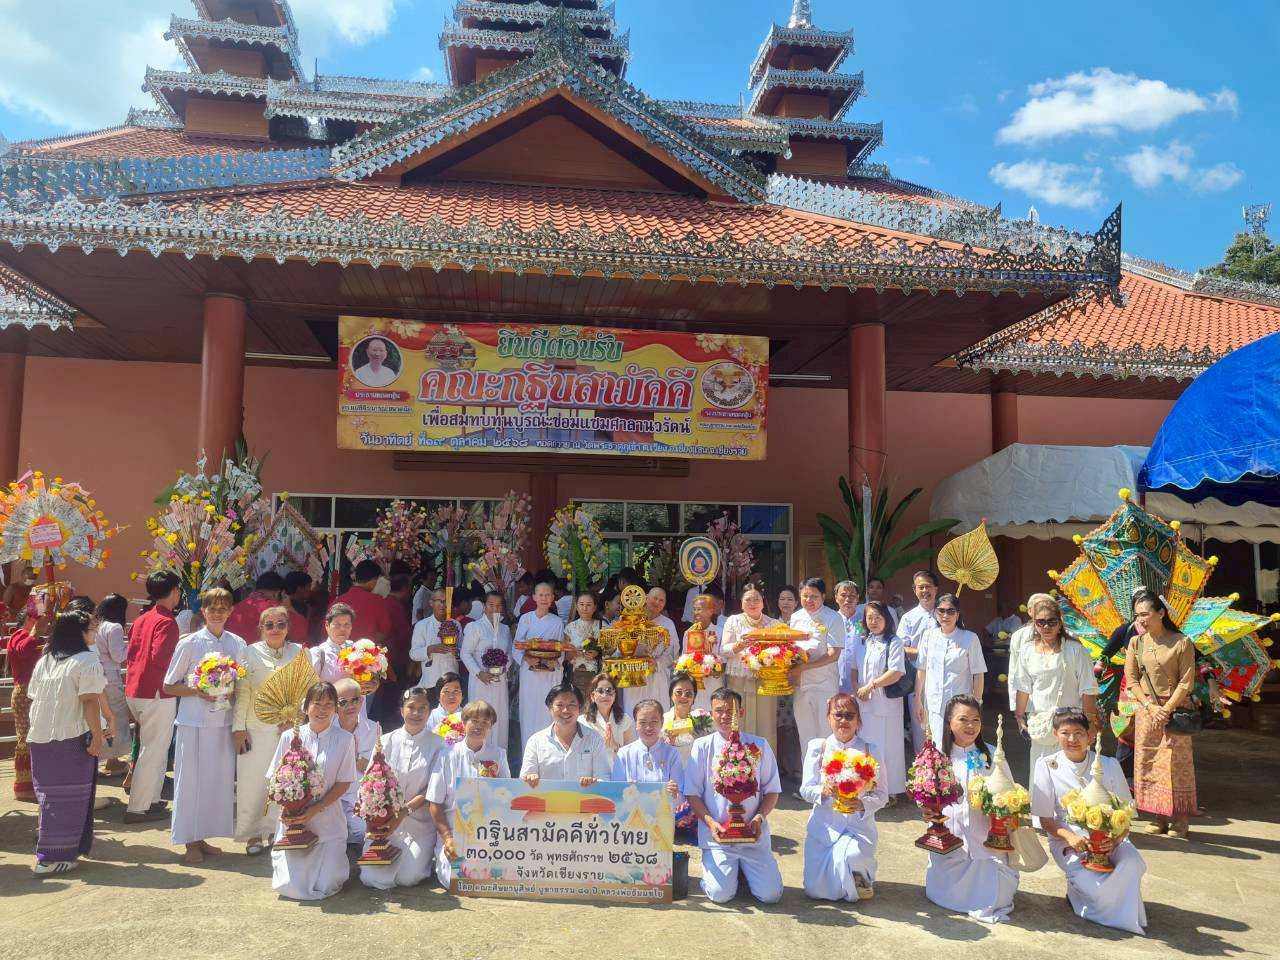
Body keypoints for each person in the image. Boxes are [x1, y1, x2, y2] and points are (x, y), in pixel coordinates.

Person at [1032, 707, 1147, 934]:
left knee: (1132, 863)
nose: (1072, 739)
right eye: (1065, 733)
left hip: (1111, 837)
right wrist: (1070, 837)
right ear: (1055, 734)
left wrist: (1115, 840)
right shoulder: (1046, 765)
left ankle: (1118, 907)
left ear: (1090, 735)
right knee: (1094, 888)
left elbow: (1126, 814)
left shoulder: (1110, 764)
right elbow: (1045, 819)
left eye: (1078, 733)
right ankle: (1082, 896)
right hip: (1068, 838)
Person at [161, 587, 246, 864]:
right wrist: (197, 690)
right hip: (194, 722)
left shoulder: (237, 643)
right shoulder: (190, 643)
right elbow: (168, 685)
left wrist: (232, 691)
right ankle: (189, 841)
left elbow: (243, 683)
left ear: (231, 611)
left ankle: (204, 834)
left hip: (222, 722)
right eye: (213, 608)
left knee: (215, 783)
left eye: (223, 608)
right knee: (190, 782)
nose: (218, 613)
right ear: (204, 611)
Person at [924, 695, 1019, 923]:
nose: (970, 726)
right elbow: (924, 796)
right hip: (950, 845)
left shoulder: (993, 755)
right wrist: (927, 811)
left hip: (987, 845)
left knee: (999, 894)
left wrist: (1006, 820)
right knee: (943, 892)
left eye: (975, 720)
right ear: (948, 722)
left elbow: (1012, 799)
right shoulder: (936, 756)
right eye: (963, 719)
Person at [26, 610, 107, 875]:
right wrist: (97, 735)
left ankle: (52, 853)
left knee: (50, 797)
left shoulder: (45, 660)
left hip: (41, 737)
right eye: (92, 628)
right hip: (71, 737)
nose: (95, 632)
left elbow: (34, 696)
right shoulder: (87, 660)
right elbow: (89, 701)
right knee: (71, 797)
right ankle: (52, 856)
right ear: (80, 632)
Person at [683, 688, 783, 904]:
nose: (725, 716)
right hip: (718, 836)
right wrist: (710, 823)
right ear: (711, 714)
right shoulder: (702, 747)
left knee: (771, 896)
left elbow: (772, 789)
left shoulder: (759, 745)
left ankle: (743, 873)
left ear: (742, 712)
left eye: (731, 710)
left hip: (752, 835)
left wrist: (758, 818)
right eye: (719, 711)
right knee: (721, 895)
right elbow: (691, 792)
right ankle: (716, 871)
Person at [268, 682, 356, 900]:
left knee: (327, 883)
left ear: (336, 708)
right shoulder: (289, 737)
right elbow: (275, 776)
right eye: (317, 703)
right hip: (293, 821)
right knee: (289, 885)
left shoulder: (345, 739)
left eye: (329, 704)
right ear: (306, 707)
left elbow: (345, 781)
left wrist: (317, 808)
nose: (322, 709)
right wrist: (286, 810)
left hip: (327, 820)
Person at [800, 693, 888, 901]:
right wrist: (823, 792)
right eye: (838, 715)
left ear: (859, 720)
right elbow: (806, 788)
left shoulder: (870, 750)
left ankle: (862, 879)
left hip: (858, 827)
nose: (843, 721)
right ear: (828, 718)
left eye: (850, 716)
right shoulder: (818, 747)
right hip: (824, 827)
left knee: (852, 856)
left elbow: (882, 794)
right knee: (815, 891)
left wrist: (861, 803)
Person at [1125, 589, 1197, 838]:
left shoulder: (1181, 642)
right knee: (1151, 763)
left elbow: (1186, 682)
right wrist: (1149, 706)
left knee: (1175, 765)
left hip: (1174, 711)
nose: (1141, 619)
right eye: (1137, 615)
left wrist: (1165, 709)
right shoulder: (1136, 643)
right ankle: (1159, 815)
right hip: (1147, 711)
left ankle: (1181, 818)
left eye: (1145, 614)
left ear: (1161, 613)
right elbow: (1132, 680)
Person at [232, 604, 303, 855]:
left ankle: (275, 830)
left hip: (286, 730)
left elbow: (305, 691)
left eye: (281, 624)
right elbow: (242, 693)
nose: (275, 629)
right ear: (261, 628)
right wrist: (238, 729)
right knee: (252, 784)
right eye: (269, 625)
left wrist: (296, 719)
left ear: (288, 627)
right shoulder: (248, 653)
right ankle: (252, 834)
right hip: (254, 728)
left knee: (282, 782)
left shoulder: (299, 652)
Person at [359, 686, 445, 890]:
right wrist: (376, 821)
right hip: (385, 822)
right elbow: (369, 783)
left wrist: (403, 812)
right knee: (371, 877)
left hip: (418, 824)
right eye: (411, 707)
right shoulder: (386, 741)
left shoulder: (439, 745)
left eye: (422, 708)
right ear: (401, 710)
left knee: (410, 877)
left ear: (429, 712)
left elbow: (433, 789)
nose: (416, 713)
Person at [1012, 595, 1100, 793]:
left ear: (1060, 623)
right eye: (1040, 622)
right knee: (1042, 773)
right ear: (1034, 624)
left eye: (1051, 621)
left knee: (1071, 776)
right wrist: (1019, 717)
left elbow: (1088, 689)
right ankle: (1043, 819)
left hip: (1072, 724)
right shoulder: (1027, 651)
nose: (1046, 626)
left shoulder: (1076, 650)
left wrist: (1090, 724)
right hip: (1042, 724)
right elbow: (1023, 686)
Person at [428, 698, 510, 886]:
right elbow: (434, 803)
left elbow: (507, 796)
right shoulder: (447, 755)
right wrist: (447, 838)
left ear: (490, 727)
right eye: (474, 721)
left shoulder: (499, 755)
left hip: (489, 833)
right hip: (454, 832)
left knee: (494, 878)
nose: (479, 726)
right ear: (464, 723)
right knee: (455, 880)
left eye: (485, 723)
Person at [124, 571, 183, 824]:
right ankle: (138, 807)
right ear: (173, 591)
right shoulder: (167, 621)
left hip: (136, 689)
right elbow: (161, 658)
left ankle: (152, 800)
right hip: (156, 692)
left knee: (153, 749)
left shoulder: (143, 618)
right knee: (154, 750)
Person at [846, 601, 907, 797]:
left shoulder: (894, 642)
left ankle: (889, 792)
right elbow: (854, 669)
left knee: (888, 748)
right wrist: (857, 689)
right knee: (867, 745)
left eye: (878, 618)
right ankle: (867, 787)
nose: (873, 621)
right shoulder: (862, 641)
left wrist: (871, 686)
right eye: (870, 617)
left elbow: (896, 672)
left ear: (886, 620)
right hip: (864, 703)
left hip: (886, 704)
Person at [915, 593, 986, 745]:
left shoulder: (970, 638)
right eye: (941, 610)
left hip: (960, 706)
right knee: (937, 745)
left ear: (958, 614)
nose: (945, 615)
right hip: (934, 703)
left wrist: (977, 703)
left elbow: (978, 673)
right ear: (935, 612)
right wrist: (917, 699)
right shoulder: (928, 636)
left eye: (950, 611)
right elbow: (922, 669)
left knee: (958, 745)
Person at [789, 578, 847, 761]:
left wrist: (805, 667)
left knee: (826, 734)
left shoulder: (833, 617)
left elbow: (834, 654)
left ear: (823, 596)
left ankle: (829, 777)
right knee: (805, 734)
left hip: (824, 684)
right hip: (801, 684)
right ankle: (809, 782)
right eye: (805, 596)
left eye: (814, 596)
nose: (809, 600)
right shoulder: (796, 617)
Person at [5, 589, 54, 801]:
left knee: (34, 736)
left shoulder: (31, 637)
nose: (39, 622)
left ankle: (32, 783)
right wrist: (35, 632)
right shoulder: (18, 636)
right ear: (27, 618)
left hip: (34, 690)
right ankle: (23, 787)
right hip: (25, 691)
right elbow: (25, 650)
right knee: (25, 738)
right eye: (35, 618)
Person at [720, 586, 779, 752]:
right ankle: (737, 764)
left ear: (763, 603)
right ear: (741, 604)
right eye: (748, 599)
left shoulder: (774, 624)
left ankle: (766, 768)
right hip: (738, 679)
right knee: (739, 720)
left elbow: (782, 651)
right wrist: (739, 646)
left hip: (765, 681)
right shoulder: (733, 621)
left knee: (765, 723)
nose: (752, 603)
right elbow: (723, 649)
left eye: (756, 599)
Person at [513, 581, 569, 752]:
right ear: (534, 597)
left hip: (549, 677)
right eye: (541, 595)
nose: (544, 598)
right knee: (529, 714)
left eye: (548, 595)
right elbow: (516, 646)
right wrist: (527, 659)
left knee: (548, 714)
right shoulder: (526, 619)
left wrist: (556, 661)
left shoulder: (557, 622)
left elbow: (560, 649)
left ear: (553, 598)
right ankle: (528, 756)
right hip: (530, 675)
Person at [520, 683, 611, 786]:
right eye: (560, 705)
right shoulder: (535, 741)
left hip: (583, 800)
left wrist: (594, 783)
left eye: (571, 705)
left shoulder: (594, 739)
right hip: (547, 801)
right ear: (550, 708)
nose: (565, 710)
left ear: (580, 709)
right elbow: (524, 780)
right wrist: (530, 778)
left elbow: (604, 778)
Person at [460, 590, 512, 750]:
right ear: (484, 606)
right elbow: (465, 653)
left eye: (498, 605)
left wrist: (504, 668)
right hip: (480, 681)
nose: (494, 609)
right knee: (480, 715)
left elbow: (509, 653)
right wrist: (478, 672)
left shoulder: (505, 629)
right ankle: (477, 753)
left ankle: (498, 757)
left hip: (499, 682)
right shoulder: (474, 627)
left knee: (499, 718)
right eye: (491, 605)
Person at [897, 571, 939, 752]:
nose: (924, 590)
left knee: (942, 725)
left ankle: (946, 775)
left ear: (936, 589)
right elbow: (901, 647)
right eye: (920, 587)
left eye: (928, 586)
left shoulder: (947, 613)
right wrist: (923, 653)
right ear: (914, 590)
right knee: (919, 725)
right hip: (917, 680)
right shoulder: (908, 618)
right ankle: (924, 775)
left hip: (943, 679)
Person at [333, 677, 378, 844]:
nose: (350, 706)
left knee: (361, 832)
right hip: (332, 796)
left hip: (359, 797)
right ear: (335, 705)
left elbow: (377, 771)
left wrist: (355, 757)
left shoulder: (374, 729)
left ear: (362, 700)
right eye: (343, 702)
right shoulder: (326, 728)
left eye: (355, 700)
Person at [612, 698, 683, 802]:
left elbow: (680, 795)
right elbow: (616, 793)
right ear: (636, 724)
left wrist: (674, 794)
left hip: (663, 815)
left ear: (662, 722)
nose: (648, 727)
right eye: (642, 722)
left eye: (654, 722)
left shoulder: (672, 754)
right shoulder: (624, 754)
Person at [92, 594, 132, 776]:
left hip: (96, 675)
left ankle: (98, 759)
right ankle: (112, 759)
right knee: (117, 715)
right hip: (110, 677)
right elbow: (118, 656)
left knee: (100, 717)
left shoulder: (97, 626)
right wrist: (133, 646)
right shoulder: (114, 627)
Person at [623, 587, 678, 715]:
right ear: (646, 598)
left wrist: (656, 662)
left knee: (657, 713)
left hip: (656, 676)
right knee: (632, 713)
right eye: (654, 598)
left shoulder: (668, 624)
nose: (657, 602)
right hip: (633, 675)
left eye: (661, 600)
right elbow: (621, 647)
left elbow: (672, 653)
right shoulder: (631, 620)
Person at [227, 572, 307, 647]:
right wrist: (289, 607)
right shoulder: (275, 610)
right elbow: (300, 630)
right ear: (278, 593)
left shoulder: (234, 609)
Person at [1005, 592, 1052, 705]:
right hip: (1031, 702)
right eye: (1039, 607)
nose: (1043, 610)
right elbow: (1014, 673)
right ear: (1030, 611)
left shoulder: (1068, 637)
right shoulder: (1019, 636)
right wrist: (1016, 704)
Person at [333, 560, 390, 648]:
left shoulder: (337, 602)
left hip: (340, 655)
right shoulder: (377, 601)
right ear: (373, 581)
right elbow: (385, 631)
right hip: (366, 656)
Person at [411, 589, 460, 689]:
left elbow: (464, 652)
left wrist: (457, 652)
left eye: (446, 601)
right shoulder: (422, 625)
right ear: (431, 603)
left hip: (452, 680)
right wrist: (430, 649)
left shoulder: (456, 624)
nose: (443, 604)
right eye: (439, 601)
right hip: (431, 681)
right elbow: (413, 654)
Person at [583, 672, 634, 762]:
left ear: (615, 695)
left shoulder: (625, 719)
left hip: (618, 771)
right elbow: (581, 755)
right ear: (592, 696)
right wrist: (600, 747)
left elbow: (630, 755)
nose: (605, 695)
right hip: (593, 773)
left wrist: (614, 746)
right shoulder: (582, 721)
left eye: (609, 691)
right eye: (600, 691)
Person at [563, 590, 602, 702]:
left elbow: (610, 651)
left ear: (595, 607)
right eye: (581, 604)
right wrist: (573, 653)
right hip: (575, 675)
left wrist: (598, 653)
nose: (585, 608)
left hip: (597, 675)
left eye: (589, 605)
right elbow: (564, 655)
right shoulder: (569, 628)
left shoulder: (602, 626)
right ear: (576, 606)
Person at [310, 602, 355, 683]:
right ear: (327, 625)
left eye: (346, 625)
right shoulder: (318, 653)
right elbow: (311, 689)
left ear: (351, 626)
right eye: (337, 625)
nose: (342, 629)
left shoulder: (357, 649)